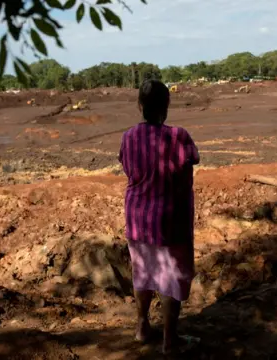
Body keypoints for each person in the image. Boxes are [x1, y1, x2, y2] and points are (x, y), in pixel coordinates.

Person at [118, 79, 200, 354]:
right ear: (166, 105)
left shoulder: (128, 137)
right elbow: (192, 160)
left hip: (138, 218)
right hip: (170, 220)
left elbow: (128, 167)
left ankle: (142, 326)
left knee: (142, 272)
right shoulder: (179, 136)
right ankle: (170, 339)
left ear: (139, 106)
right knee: (169, 278)